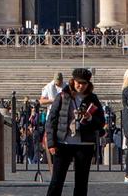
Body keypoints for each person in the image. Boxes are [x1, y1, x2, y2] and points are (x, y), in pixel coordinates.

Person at [43, 67, 101, 196]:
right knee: (57, 181)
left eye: (84, 83)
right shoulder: (63, 96)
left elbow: (101, 121)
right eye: (78, 82)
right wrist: (51, 143)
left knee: (81, 182)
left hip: (85, 144)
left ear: (88, 84)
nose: (81, 86)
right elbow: (51, 120)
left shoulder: (93, 98)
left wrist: (90, 117)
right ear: (73, 81)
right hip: (63, 143)